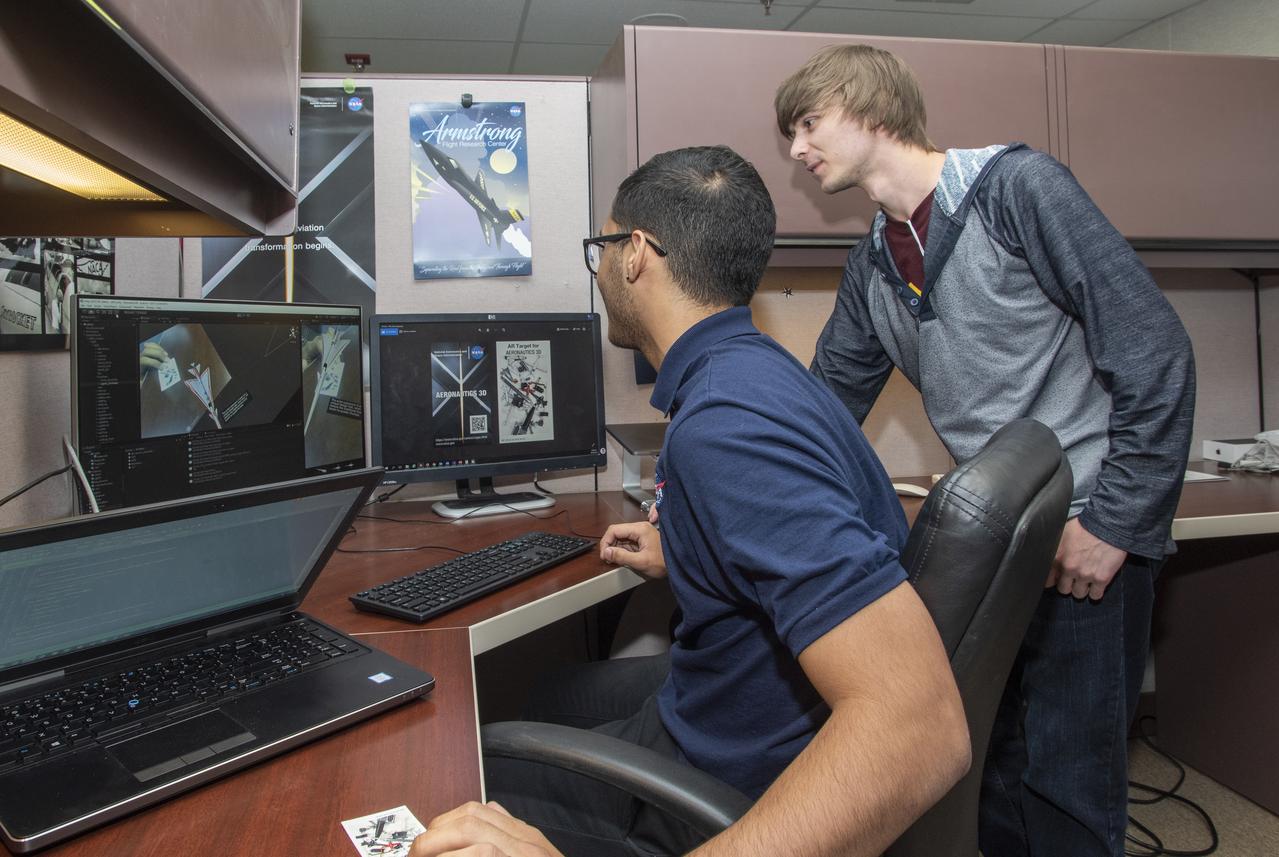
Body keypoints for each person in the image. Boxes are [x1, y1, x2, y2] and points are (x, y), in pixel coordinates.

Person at [410, 145, 970, 857]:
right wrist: (690, 550)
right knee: (549, 695)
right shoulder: (758, 374)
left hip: (728, 785)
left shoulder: (727, 423)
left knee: (439, 789)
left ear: (636, 253)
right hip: (727, 716)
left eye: (602, 248)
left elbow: (917, 728)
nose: (602, 269)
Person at [774, 44, 1196, 857]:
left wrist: (1112, 524)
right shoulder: (873, 260)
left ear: (866, 107)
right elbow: (823, 407)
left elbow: (1154, 350)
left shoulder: (1017, 190)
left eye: (806, 125)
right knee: (991, 767)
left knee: (1068, 781)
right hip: (1002, 549)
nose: (796, 150)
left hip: (1084, 536)